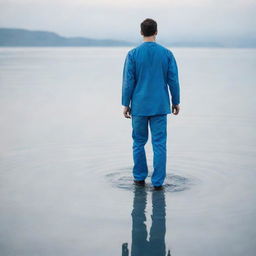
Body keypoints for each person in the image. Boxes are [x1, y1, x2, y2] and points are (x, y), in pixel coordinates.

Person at [121, 18, 180, 190]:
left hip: (139, 106)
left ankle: (139, 178)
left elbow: (128, 81)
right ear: (156, 32)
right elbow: (173, 80)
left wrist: (125, 103)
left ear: (141, 32)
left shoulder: (132, 54)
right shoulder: (167, 54)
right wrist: (176, 101)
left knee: (139, 142)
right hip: (160, 106)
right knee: (159, 144)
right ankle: (158, 182)